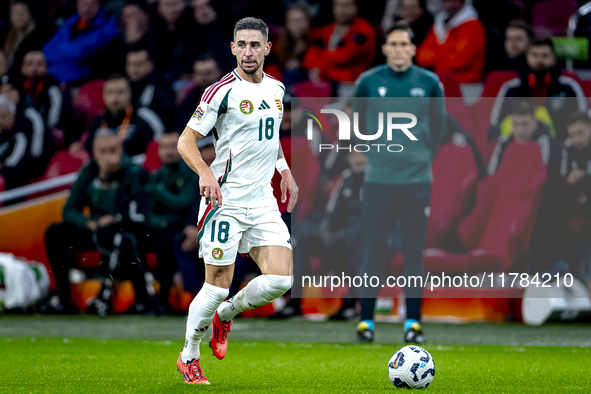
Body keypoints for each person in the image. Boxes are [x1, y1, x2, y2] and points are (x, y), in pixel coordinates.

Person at [175, 17, 298, 385]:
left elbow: (270, 135)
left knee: (282, 280)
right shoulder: (220, 92)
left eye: (254, 45)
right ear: (232, 48)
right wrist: (205, 172)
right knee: (215, 286)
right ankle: (189, 355)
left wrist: (285, 169)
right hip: (224, 200)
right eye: (241, 44)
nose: (248, 52)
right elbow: (185, 141)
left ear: (267, 48)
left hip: (261, 200)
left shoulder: (277, 88)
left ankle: (226, 315)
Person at [353, 22, 446, 344]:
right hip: (378, 180)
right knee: (374, 250)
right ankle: (366, 322)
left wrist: (418, 159)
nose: (398, 50)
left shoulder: (429, 82)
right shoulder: (367, 82)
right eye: (392, 44)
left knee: (413, 253)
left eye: (404, 44)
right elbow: (359, 124)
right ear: (384, 48)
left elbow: (439, 128)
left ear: (413, 48)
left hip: (416, 181)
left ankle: (413, 324)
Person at [44, 128, 156, 315]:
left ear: (121, 150)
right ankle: (64, 299)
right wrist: (90, 223)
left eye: (113, 150)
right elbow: (69, 209)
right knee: (54, 233)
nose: (108, 156)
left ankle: (137, 300)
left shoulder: (133, 171)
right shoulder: (89, 171)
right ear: (94, 153)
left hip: (125, 230)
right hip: (95, 228)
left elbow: (120, 211)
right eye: (102, 152)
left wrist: (105, 181)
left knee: (114, 232)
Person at [489, 38, 587, 143]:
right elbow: (495, 126)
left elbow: (584, 123)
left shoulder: (569, 87)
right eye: (534, 56)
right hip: (520, 151)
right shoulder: (511, 89)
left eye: (545, 56)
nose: (539, 60)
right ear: (527, 57)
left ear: (553, 58)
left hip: (560, 149)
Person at [144, 130, 199, 313]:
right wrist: (164, 222)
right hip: (163, 228)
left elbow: (183, 202)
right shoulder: (158, 175)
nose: (169, 151)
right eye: (164, 147)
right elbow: (149, 213)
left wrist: (157, 190)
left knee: (166, 241)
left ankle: (165, 298)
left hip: (184, 228)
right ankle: (145, 297)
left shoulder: (192, 173)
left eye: (173, 147)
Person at [79, 74, 165, 157]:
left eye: (120, 92)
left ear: (130, 93)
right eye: (110, 92)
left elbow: (162, 145)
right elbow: (89, 153)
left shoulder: (145, 117)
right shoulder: (98, 121)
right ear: (103, 95)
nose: (115, 98)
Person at [42, 0, 119, 84]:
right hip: (58, 79)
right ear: (77, 5)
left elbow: (80, 52)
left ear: (99, 4)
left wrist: (60, 48)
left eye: (93, 3)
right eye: (84, 3)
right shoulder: (70, 21)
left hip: (88, 80)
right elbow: (47, 51)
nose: (88, 7)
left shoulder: (108, 22)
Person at [302, 0, 376, 84]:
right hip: (328, 79)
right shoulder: (327, 30)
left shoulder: (363, 29)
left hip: (352, 81)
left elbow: (345, 56)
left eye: (347, 6)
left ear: (355, 8)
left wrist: (320, 57)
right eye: (338, 6)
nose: (342, 10)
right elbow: (308, 58)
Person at [416, 0, 486, 83]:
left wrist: (436, 53)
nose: (446, 2)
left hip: (466, 85)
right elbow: (422, 56)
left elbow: (459, 62)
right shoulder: (439, 24)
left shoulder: (472, 26)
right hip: (441, 81)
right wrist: (448, 51)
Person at [18, 49, 71, 132]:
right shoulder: (16, 90)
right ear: (22, 68)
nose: (34, 68)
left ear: (47, 68)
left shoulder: (54, 89)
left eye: (40, 64)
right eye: (30, 64)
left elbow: (53, 123)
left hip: (45, 133)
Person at [125, 49, 175, 128]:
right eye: (129, 64)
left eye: (139, 64)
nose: (133, 69)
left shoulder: (161, 89)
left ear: (150, 64)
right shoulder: (124, 88)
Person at [175, 55, 222, 131]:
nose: (204, 78)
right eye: (200, 74)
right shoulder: (190, 98)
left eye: (208, 73)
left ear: (218, 72)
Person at [562, 112, 591, 219]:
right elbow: (561, 183)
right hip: (575, 214)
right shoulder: (568, 152)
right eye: (572, 135)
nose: (577, 139)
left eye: (580, 133)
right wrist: (569, 180)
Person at [0, 94, 32, 190]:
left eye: (3, 116)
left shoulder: (19, 137)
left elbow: (11, 171)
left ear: (12, 115)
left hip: (13, 191)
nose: (0, 121)